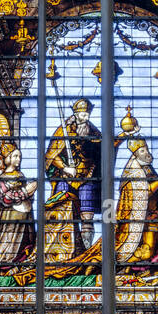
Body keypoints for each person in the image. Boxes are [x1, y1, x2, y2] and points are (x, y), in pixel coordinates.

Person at [45, 98, 103, 251]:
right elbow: (51, 156)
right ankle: (58, 251)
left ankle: (86, 249)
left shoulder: (95, 133)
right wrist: (65, 167)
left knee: (87, 216)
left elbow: (102, 155)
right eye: (83, 114)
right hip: (66, 178)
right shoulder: (63, 131)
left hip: (88, 178)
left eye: (87, 114)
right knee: (60, 212)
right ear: (76, 114)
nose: (86, 117)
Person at [0, 145, 37, 269]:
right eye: (16, 156)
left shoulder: (20, 174)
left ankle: (20, 262)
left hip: (24, 213)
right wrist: (24, 193)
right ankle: (5, 261)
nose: (18, 159)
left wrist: (28, 192)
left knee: (24, 240)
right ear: (8, 158)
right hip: (9, 215)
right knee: (9, 239)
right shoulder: (2, 178)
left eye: (20, 156)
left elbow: (28, 197)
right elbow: (5, 198)